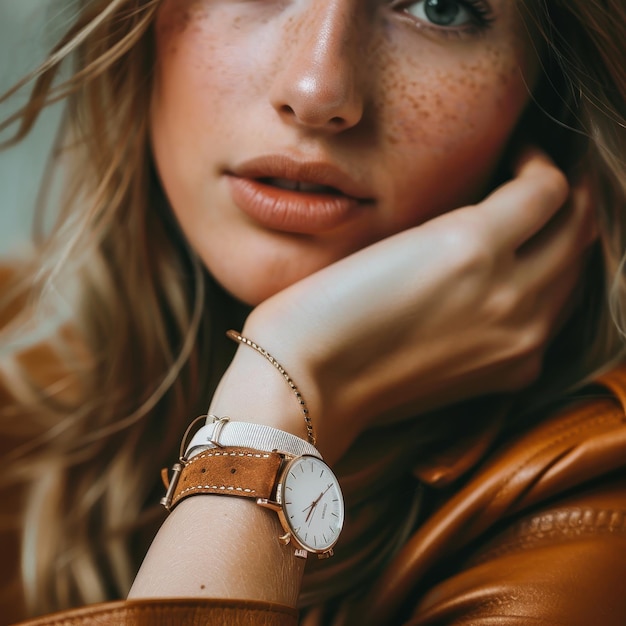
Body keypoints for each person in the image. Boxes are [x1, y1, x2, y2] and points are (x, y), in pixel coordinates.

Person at [1, 0, 625, 624]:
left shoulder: (591, 514)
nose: (317, 89)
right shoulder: (13, 354)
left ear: (550, 95)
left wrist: (277, 403)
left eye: (442, 8)